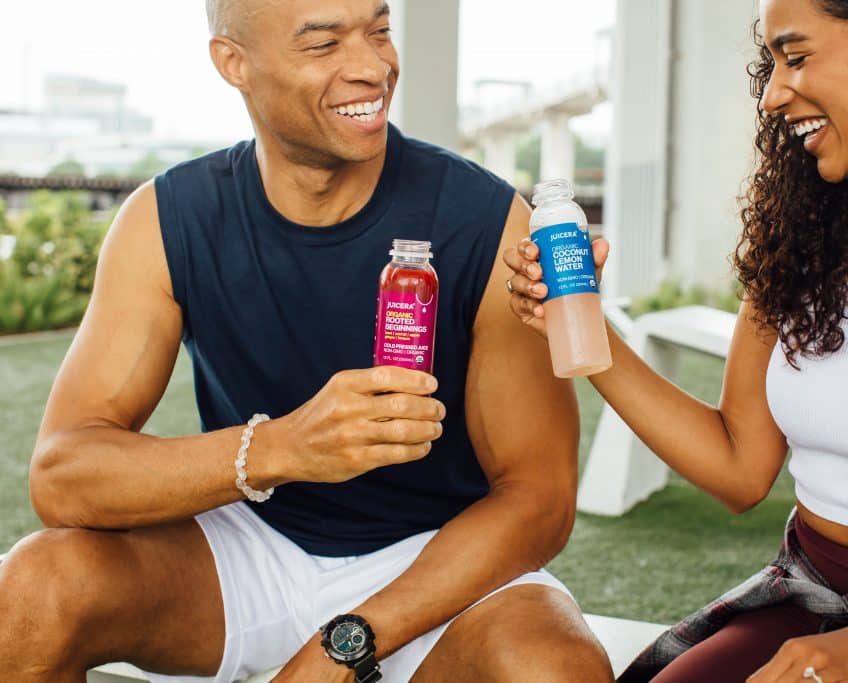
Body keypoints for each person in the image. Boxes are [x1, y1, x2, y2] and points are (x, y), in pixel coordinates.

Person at [0, 1, 616, 681]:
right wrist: (282, 448)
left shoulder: (490, 220)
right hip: (254, 540)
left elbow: (541, 498)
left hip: (438, 558)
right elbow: (63, 473)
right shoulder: (165, 218)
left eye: (379, 30)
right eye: (323, 44)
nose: (372, 67)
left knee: (553, 669)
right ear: (234, 63)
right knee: (31, 591)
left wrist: (346, 641)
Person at [505, 0, 848, 681]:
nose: (774, 93)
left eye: (798, 56)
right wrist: (581, 324)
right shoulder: (801, 242)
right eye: (772, 63)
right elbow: (739, 467)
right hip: (808, 590)